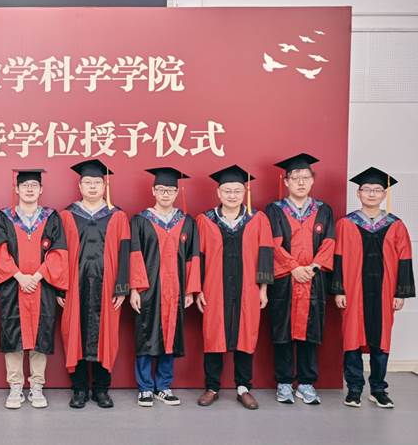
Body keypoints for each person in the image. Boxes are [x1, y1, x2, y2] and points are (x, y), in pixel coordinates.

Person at [333, 167, 414, 408]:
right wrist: (338, 289)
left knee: (381, 339)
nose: (371, 193)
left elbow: (405, 259)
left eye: (377, 190)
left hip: (385, 292)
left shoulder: (396, 225)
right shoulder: (346, 223)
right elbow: (337, 258)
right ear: (358, 193)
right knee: (352, 339)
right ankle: (354, 389)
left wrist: (401, 293)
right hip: (353, 291)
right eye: (366, 189)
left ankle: (378, 389)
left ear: (384, 194)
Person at [195, 165, 273, 410]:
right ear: (218, 193)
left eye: (237, 191)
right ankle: (212, 387)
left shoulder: (257, 219)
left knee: (246, 334)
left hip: (247, 287)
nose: (232, 195)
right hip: (214, 288)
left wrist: (263, 289)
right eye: (227, 191)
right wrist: (197, 289)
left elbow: (265, 254)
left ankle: (243, 388)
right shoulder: (205, 220)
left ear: (245, 192)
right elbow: (197, 257)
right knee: (213, 335)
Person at [0, 168, 68, 409]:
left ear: (41, 189)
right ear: (16, 189)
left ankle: (37, 386)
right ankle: (15, 386)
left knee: (40, 337)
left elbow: (59, 251)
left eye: (34, 185)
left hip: (41, 286)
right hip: (13, 287)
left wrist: (36, 276)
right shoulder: (4, 216)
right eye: (25, 185)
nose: (29, 189)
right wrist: (19, 276)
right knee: (13, 336)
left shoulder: (51, 217)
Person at [58, 159, 130, 409]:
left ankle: (101, 389)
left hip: (107, 287)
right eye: (87, 182)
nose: (92, 186)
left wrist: (122, 287)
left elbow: (125, 252)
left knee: (106, 336)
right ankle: (79, 389)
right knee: (74, 335)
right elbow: (59, 253)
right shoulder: (67, 215)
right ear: (79, 185)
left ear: (104, 185)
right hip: (74, 286)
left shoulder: (117, 216)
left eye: (96, 182)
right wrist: (60, 287)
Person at [265, 154, 335, 405]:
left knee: (310, 332)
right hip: (285, 280)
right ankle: (284, 383)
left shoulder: (323, 209)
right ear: (286, 181)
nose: (301, 182)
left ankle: (306, 383)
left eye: (306, 177)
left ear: (313, 180)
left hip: (313, 280)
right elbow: (272, 244)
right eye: (296, 178)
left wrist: (313, 267)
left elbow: (329, 242)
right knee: (282, 332)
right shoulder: (274, 209)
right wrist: (293, 267)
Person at [129, 167, 200, 407]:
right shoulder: (140, 220)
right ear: (153, 191)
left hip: (176, 290)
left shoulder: (187, 222)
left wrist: (190, 289)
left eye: (170, 189)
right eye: (161, 189)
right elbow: (135, 255)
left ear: (177, 192)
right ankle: (145, 388)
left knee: (171, 335)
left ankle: (163, 386)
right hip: (148, 289)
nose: (165, 193)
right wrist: (135, 289)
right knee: (145, 335)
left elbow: (192, 257)